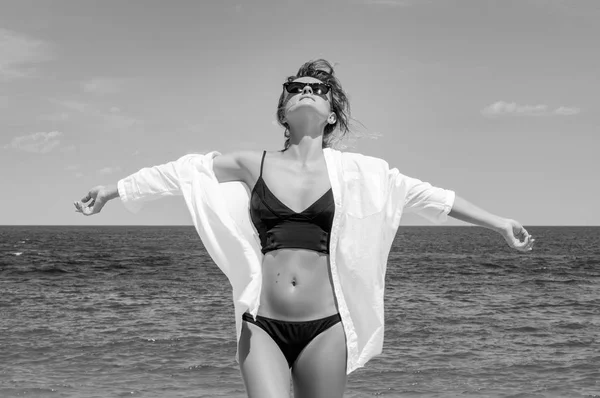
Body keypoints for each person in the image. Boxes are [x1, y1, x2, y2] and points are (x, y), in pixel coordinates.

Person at [74, 59, 535, 398]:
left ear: (332, 113)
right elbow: (179, 173)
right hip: (263, 325)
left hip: (327, 327)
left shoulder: (360, 172)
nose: (307, 89)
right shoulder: (250, 164)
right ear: (284, 109)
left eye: (319, 88)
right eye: (297, 86)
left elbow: (427, 196)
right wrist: (112, 190)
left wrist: (499, 223)